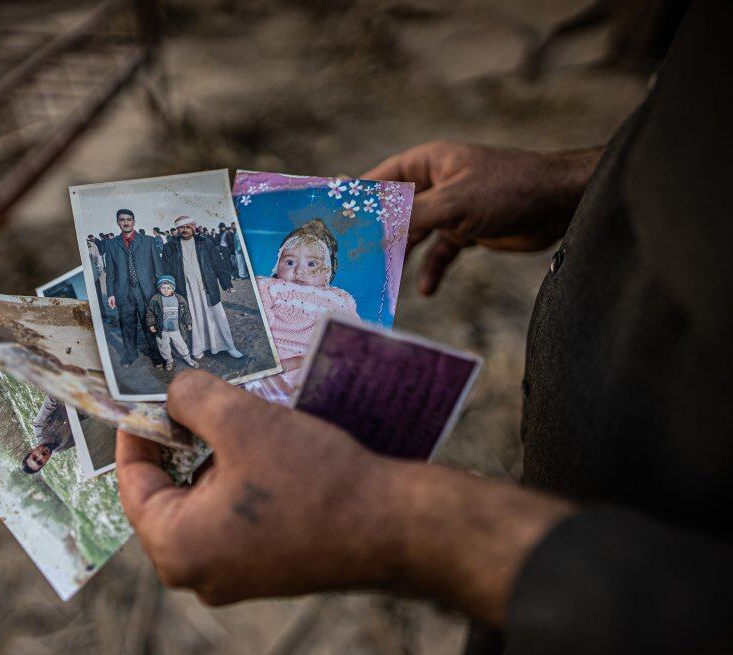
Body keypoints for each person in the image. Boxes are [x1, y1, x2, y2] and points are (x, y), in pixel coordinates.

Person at [113, 4, 733, 654]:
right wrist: (589, 180)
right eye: (288, 260)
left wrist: (398, 523)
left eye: (310, 264)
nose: (295, 270)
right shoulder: (258, 289)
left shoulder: (336, 312)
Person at [257, 218, 358, 387]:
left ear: (328, 270)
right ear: (277, 264)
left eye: (312, 264)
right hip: (275, 354)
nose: (299, 271)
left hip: (313, 361)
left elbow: (353, 333)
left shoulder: (340, 298)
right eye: (290, 262)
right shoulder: (270, 286)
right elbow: (260, 316)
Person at [162, 215, 244, 360]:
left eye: (188, 226)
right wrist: (169, 291)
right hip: (185, 289)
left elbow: (217, 263)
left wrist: (226, 283)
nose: (185, 230)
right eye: (181, 227)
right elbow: (166, 270)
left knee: (217, 317)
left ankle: (228, 346)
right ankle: (198, 348)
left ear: (193, 227)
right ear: (177, 229)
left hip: (207, 287)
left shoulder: (205, 243)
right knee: (193, 318)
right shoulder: (170, 247)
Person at [102, 209, 165, 367]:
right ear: (118, 222)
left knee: (150, 324)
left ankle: (157, 354)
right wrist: (111, 293)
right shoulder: (111, 244)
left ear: (134, 221)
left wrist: (162, 289)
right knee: (127, 324)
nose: (126, 222)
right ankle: (130, 355)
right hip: (124, 292)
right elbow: (110, 271)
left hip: (147, 291)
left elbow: (158, 269)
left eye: (129, 219)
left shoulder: (149, 241)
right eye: (122, 220)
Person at [146, 275, 199, 371]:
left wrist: (188, 323)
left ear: (173, 288)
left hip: (176, 329)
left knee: (181, 345)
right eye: (163, 288)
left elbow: (186, 312)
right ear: (159, 288)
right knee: (163, 346)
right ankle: (169, 361)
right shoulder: (155, 299)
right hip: (162, 330)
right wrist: (151, 324)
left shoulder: (179, 299)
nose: (166, 290)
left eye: (168, 288)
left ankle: (188, 359)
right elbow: (150, 313)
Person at [22, 396, 75, 474]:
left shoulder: (39, 426)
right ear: (45, 463)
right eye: (40, 462)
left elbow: (52, 398)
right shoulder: (61, 448)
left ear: (32, 450)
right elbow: (84, 433)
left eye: (35, 457)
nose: (41, 456)